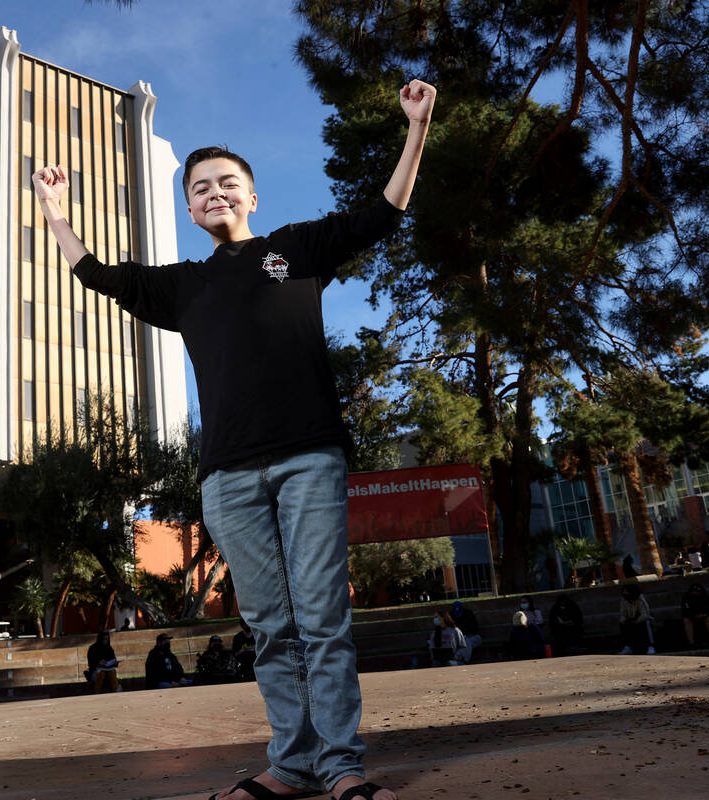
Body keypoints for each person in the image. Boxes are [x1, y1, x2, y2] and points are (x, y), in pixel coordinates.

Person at [32, 77, 435, 800]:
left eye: (228, 183)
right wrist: (54, 211)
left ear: (252, 196)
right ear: (189, 208)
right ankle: (294, 764)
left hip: (309, 457)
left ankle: (342, 769)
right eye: (201, 189)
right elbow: (94, 273)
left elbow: (384, 212)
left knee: (320, 618)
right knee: (272, 628)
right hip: (227, 478)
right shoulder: (184, 286)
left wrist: (417, 127)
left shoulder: (296, 251)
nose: (215, 194)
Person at [618, 583, 656, 655]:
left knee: (646, 623)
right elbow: (623, 614)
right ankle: (628, 647)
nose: (625, 593)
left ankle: (651, 646)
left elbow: (645, 614)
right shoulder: (624, 601)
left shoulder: (640, 600)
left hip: (640, 621)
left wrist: (636, 621)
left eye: (626, 591)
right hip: (630, 620)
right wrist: (624, 620)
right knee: (622, 625)